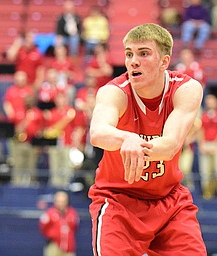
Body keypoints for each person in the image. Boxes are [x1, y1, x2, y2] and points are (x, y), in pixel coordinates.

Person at [88, 23, 206, 255]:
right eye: (129, 54)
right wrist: (126, 138)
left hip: (169, 201)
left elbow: (170, 145)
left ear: (164, 61)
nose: (133, 61)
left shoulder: (186, 89)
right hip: (118, 200)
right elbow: (98, 133)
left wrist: (134, 143)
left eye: (143, 53)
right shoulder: (113, 92)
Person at [39, 191, 79, 256]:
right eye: (59, 201)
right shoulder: (49, 213)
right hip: (54, 246)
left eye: (63, 201)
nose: (61, 204)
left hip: (69, 246)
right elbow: (43, 228)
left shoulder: (72, 213)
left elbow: (75, 228)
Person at [198, 94, 217, 200]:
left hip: (215, 145)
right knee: (205, 171)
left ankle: (214, 192)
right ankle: (207, 194)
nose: (210, 103)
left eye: (212, 101)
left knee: (216, 170)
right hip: (205, 145)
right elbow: (200, 131)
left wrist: (215, 145)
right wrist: (202, 145)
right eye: (208, 101)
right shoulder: (203, 115)